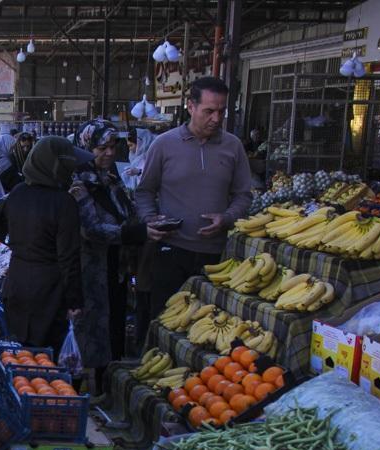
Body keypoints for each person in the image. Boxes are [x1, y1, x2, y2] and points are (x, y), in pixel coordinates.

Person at [135, 76, 252, 321]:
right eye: (209, 111)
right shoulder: (164, 145)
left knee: (209, 323)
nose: (216, 119)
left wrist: (228, 218)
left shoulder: (233, 147)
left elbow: (243, 195)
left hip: (217, 257)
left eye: (221, 111)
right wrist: (149, 220)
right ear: (191, 107)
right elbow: (145, 191)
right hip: (170, 251)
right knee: (165, 320)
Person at [71, 120, 163, 388]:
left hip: (116, 265)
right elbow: (92, 229)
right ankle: (82, 386)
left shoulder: (111, 179)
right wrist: (135, 233)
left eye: (113, 147)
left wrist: (150, 221)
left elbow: (128, 213)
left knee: (113, 324)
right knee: (90, 329)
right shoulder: (78, 182)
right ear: (86, 147)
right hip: (90, 268)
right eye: (102, 147)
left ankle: (106, 382)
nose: (109, 153)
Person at [0, 136, 82, 352]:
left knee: (19, 356)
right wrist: (75, 301)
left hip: (17, 284)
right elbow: (69, 256)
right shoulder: (64, 203)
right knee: (45, 361)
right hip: (50, 292)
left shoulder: (18, 193)